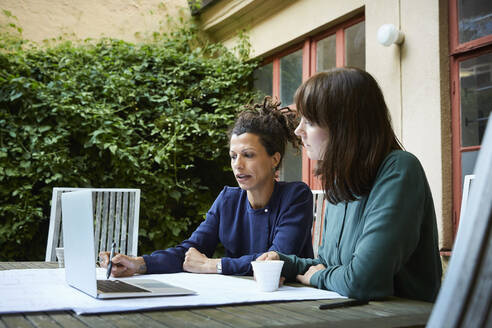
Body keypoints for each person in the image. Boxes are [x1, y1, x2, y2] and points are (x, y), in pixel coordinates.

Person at [257, 68, 442, 302]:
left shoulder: (399, 169)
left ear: (344, 126)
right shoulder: (341, 182)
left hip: (406, 320)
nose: (298, 130)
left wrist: (318, 277)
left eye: (310, 121)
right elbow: (330, 266)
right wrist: (286, 263)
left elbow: (363, 281)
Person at [100, 97, 314, 277]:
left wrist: (212, 265)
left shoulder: (295, 196)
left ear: (274, 159)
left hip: (292, 303)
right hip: (240, 299)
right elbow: (190, 250)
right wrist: (139, 264)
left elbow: (275, 261)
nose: (238, 165)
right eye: (233, 156)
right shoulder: (228, 200)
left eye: (248, 155)